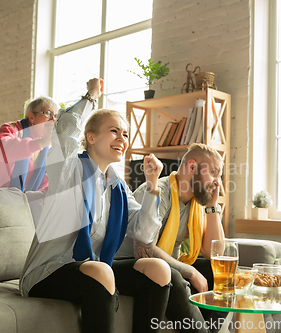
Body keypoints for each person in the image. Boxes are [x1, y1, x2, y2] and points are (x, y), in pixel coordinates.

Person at [20, 78, 171, 333]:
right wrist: (90, 96)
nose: (122, 138)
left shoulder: (118, 188)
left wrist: (153, 185)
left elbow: (144, 234)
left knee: (158, 269)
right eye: (114, 131)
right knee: (101, 271)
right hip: (48, 272)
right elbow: (63, 133)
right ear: (90, 137)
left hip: (96, 269)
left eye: (125, 134)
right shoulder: (68, 170)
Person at [115, 143, 225, 333]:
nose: (218, 182)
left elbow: (215, 253)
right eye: (214, 173)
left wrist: (212, 206)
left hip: (167, 263)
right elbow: (143, 250)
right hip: (132, 264)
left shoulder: (196, 203)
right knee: (174, 274)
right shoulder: (159, 192)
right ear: (192, 167)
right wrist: (190, 272)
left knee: (219, 271)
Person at [0, 96, 57, 191]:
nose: (53, 120)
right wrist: (40, 143)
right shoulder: (12, 129)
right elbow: (1, 148)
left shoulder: (46, 149)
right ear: (31, 117)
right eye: (48, 113)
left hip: (0, 195)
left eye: (55, 116)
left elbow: (43, 182)